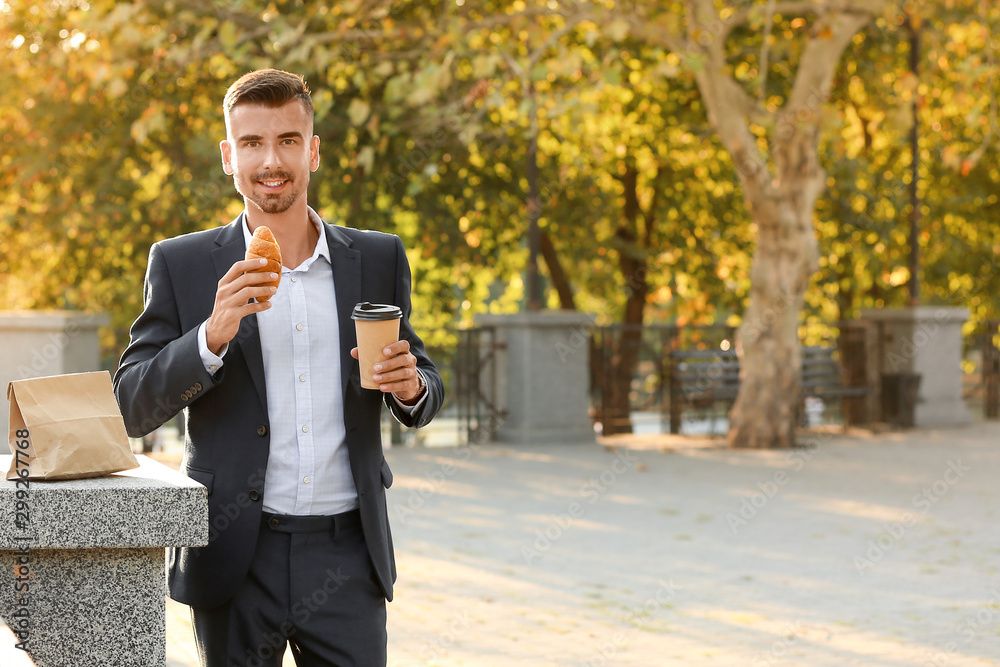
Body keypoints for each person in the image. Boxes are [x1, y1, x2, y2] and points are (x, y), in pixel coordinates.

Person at [113, 68, 443, 666]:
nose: (272, 160)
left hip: (348, 556)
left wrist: (412, 386)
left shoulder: (375, 257)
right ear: (227, 156)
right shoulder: (182, 264)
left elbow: (422, 378)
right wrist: (210, 338)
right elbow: (130, 405)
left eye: (289, 140)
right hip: (233, 555)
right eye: (252, 143)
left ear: (313, 152)